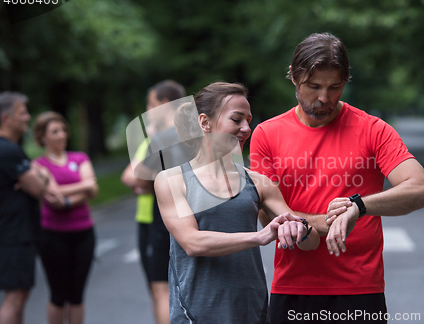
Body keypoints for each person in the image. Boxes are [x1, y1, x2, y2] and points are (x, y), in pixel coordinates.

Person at [250, 32, 424, 323]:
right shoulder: (267, 134)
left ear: (346, 81)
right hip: (293, 287)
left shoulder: (373, 129)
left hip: (359, 289)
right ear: (293, 76)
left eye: (335, 87)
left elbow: (422, 190)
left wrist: (358, 207)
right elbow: (266, 216)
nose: (324, 97)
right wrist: (331, 221)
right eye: (313, 86)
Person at [154, 82, 320, 323]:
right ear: (204, 122)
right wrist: (260, 237)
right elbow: (193, 243)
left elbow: (311, 242)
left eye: (248, 120)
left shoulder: (258, 182)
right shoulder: (171, 179)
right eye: (236, 119)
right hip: (195, 314)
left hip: (251, 311)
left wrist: (300, 229)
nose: (246, 128)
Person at [121, 80, 187, 324]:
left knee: (161, 290)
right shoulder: (193, 133)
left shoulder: (159, 140)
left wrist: (145, 184)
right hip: (188, 214)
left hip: (159, 219)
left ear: (164, 104)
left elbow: (133, 176)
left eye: (150, 104)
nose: (147, 111)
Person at [32, 111, 98, 324]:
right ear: (43, 137)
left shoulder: (79, 157)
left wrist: (67, 196)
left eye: (63, 130)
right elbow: (52, 196)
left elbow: (93, 189)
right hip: (53, 236)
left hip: (84, 233)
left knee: (77, 295)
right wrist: (83, 186)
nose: (61, 135)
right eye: (54, 131)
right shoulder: (38, 165)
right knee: (59, 295)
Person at [0, 92, 50, 324]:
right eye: (22, 113)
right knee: (15, 296)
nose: (28, 117)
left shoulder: (7, 149)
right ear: (6, 118)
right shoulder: (7, 151)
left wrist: (34, 176)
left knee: (20, 293)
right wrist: (41, 175)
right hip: (13, 235)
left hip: (11, 233)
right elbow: (38, 188)